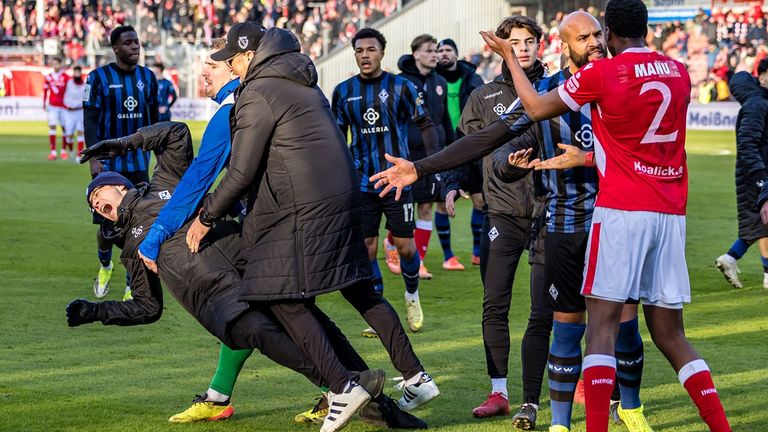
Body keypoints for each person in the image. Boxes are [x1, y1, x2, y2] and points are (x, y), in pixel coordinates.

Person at [371, 1, 732, 431]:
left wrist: (583, 152)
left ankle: (625, 410)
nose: (594, 42)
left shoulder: (600, 77)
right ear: (564, 46)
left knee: (611, 329)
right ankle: (564, 420)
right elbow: (491, 138)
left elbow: (549, 111)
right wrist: (424, 167)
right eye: (584, 37)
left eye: (597, 35)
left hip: (616, 215)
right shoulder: (675, 71)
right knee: (621, 329)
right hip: (628, 216)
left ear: (609, 34)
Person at [186, 22, 437, 430]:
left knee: (277, 293)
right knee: (357, 286)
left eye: (231, 59)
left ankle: (342, 386)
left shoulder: (257, 92)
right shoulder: (304, 82)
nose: (230, 67)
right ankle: (415, 376)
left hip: (305, 209)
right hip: (345, 198)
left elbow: (241, 171)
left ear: (248, 56)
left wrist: (205, 217)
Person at [66, 122, 392, 432]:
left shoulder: (165, 183)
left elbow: (176, 134)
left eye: (97, 195)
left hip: (251, 263)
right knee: (261, 332)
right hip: (217, 300)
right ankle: (343, 385)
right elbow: (146, 307)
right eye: (93, 206)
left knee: (312, 320)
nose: (97, 205)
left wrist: (126, 143)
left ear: (118, 185)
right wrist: (97, 311)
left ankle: (373, 401)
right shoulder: (131, 247)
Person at [457, 16, 549, 427]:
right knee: (495, 303)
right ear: (500, 46)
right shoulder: (483, 96)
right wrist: (454, 184)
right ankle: (499, 392)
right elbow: (467, 147)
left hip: (549, 211)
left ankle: (562, 382)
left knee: (552, 306)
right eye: (514, 41)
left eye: (529, 41)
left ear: (539, 46)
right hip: (502, 213)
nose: (523, 48)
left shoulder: (557, 88)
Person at [331, 27, 439, 335]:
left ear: (382, 53)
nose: (365, 55)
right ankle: (379, 311)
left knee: (405, 247)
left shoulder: (401, 87)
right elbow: (337, 137)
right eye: (359, 50)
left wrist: (431, 165)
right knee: (366, 247)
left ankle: (412, 295)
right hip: (361, 182)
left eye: (371, 49)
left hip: (397, 182)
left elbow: (425, 124)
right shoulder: (343, 91)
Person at [83, 25, 158, 301]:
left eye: (136, 42)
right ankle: (105, 266)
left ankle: (131, 283)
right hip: (109, 167)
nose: (134, 46)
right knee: (106, 230)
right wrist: (94, 158)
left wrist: (160, 157)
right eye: (128, 43)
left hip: (138, 164)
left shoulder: (148, 77)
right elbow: (90, 119)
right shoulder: (98, 78)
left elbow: (155, 122)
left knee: (137, 226)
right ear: (115, 48)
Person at [398, 34, 455, 278]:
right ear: (416, 54)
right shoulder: (401, 82)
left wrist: (452, 145)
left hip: (433, 154)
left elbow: (444, 118)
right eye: (429, 51)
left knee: (426, 207)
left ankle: (418, 261)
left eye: (436, 51)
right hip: (408, 154)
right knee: (404, 208)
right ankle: (393, 247)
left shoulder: (439, 81)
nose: (435, 55)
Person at [715, 59, 768, 289]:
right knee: (763, 222)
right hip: (756, 173)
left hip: (757, 172)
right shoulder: (757, 104)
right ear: (762, 76)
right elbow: (747, 144)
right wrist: (760, 178)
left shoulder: (760, 101)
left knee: (756, 224)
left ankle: (730, 258)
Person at [436, 37, 485, 268]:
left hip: (469, 146)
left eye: (448, 50)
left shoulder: (472, 78)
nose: (443, 53)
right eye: (440, 50)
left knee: (480, 200)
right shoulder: (431, 80)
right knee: (441, 202)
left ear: (456, 54)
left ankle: (477, 251)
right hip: (443, 148)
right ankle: (448, 256)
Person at [43, 56, 70, 160]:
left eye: (56, 64)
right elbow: (45, 90)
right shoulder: (49, 77)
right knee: (52, 127)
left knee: (65, 128)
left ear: (60, 64)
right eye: (53, 64)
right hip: (52, 106)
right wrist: (44, 103)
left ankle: (63, 151)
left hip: (63, 107)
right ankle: (53, 152)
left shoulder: (66, 77)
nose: (54, 66)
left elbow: (70, 92)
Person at [62, 66, 86, 162]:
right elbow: (65, 95)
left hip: (80, 111)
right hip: (69, 112)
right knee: (69, 135)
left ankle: (79, 155)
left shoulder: (84, 85)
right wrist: (66, 104)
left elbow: (85, 99)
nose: (77, 74)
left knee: (80, 132)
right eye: (75, 72)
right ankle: (71, 149)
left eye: (78, 72)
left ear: (81, 73)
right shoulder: (69, 83)